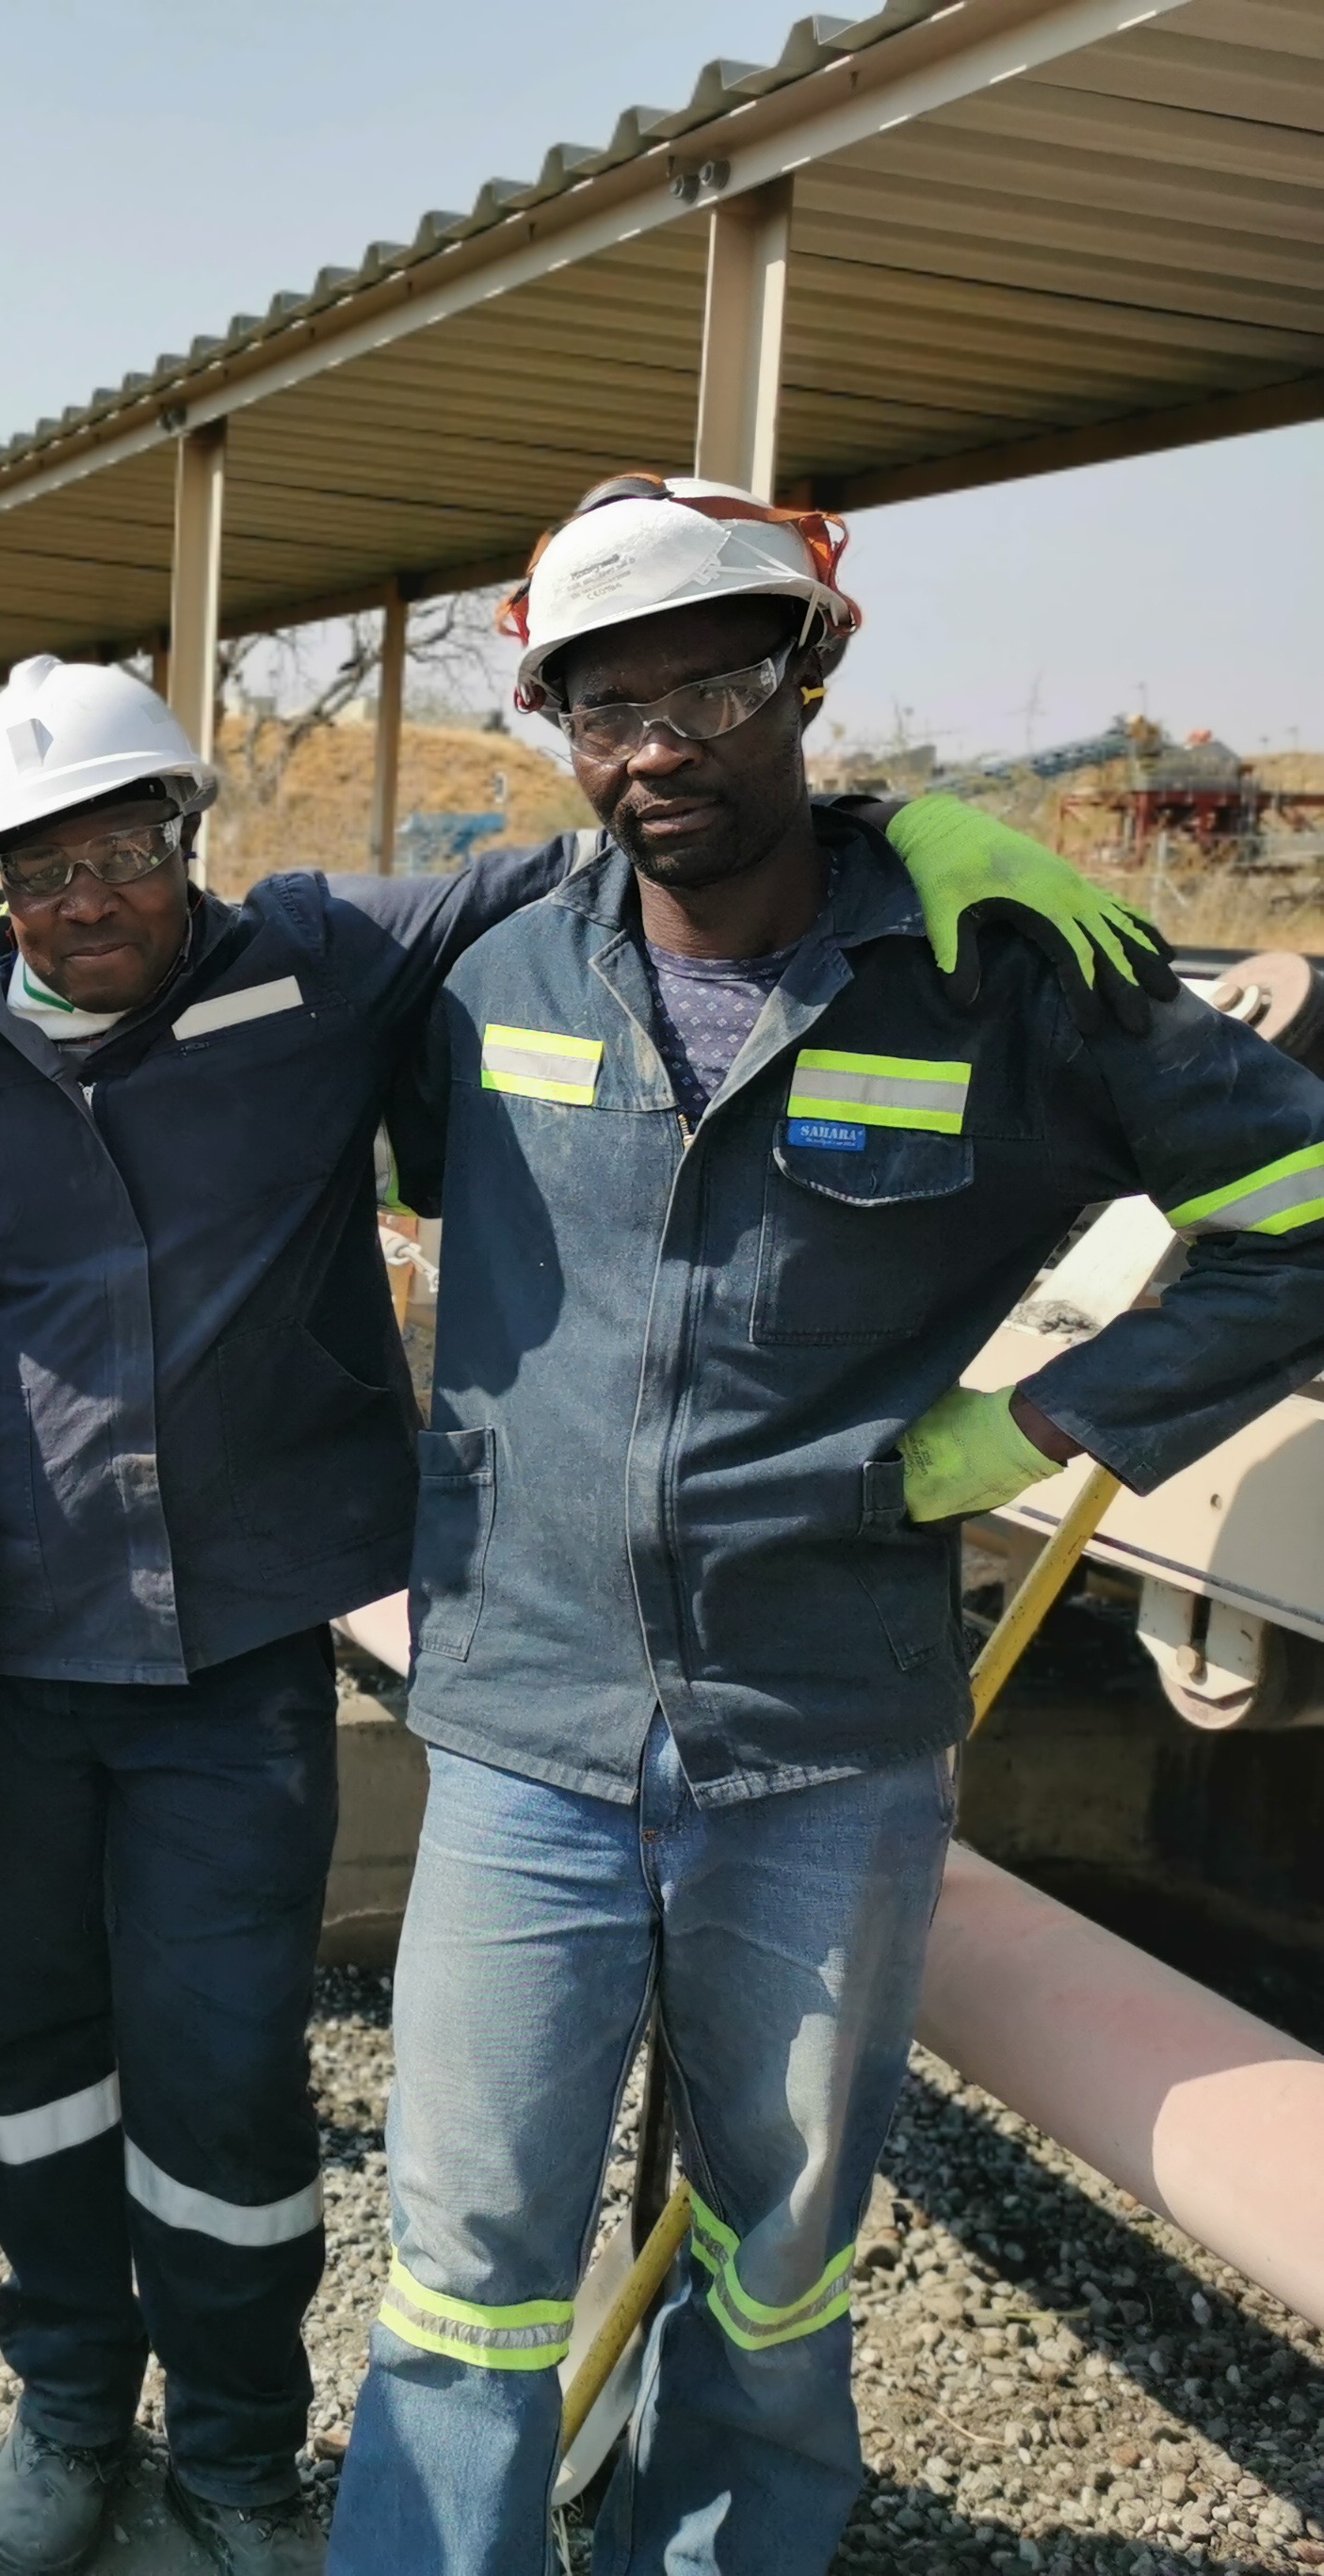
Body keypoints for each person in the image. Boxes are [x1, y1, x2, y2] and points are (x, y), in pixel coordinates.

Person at [0, 635, 1161, 2576]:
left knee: (220, 2072)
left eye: (123, 842)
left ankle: (230, 2443)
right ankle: (62, 2408)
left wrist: (891, 826)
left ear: (185, 833)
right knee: (25, 2070)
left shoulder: (318, 967)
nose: (85, 895)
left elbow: (619, 837)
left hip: (234, 1662)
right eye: (38, 862)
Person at [330, 476, 1324, 2576]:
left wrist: (1043, 1420)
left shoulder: (1003, 972)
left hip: (825, 1741)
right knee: (461, 2269)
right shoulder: (496, 960)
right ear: (560, 731)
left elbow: (1297, 1217)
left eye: (707, 684)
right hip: (523, 1725)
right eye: (605, 706)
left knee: (780, 2267)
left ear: (809, 676)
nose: (659, 744)